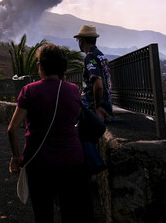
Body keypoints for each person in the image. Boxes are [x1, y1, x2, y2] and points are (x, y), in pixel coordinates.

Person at [7, 43, 94, 223]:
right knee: (71, 214)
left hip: (39, 163)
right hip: (72, 161)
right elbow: (76, 118)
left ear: (41, 66)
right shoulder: (73, 90)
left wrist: (16, 156)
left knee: (43, 214)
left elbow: (12, 128)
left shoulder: (29, 90)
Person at [74, 24, 113, 122]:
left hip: (92, 108)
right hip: (107, 106)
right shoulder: (101, 56)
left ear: (81, 41)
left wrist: (98, 107)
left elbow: (98, 84)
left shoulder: (90, 57)